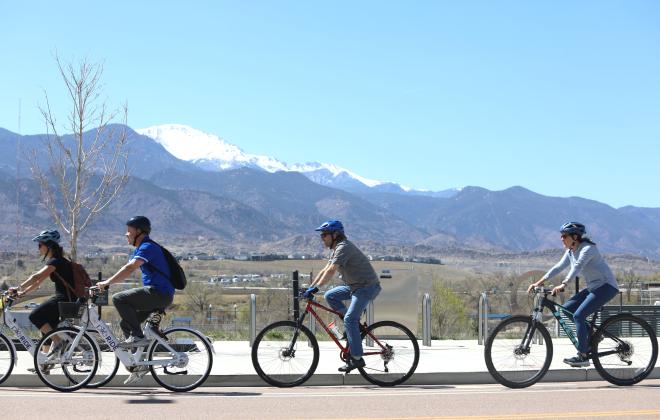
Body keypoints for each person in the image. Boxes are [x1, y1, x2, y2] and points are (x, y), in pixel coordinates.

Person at [527, 222, 619, 367]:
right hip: (593, 287)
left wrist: (564, 283)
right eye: (561, 236)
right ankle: (594, 336)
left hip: (606, 287)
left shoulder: (588, 249)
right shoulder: (570, 251)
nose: (561, 239)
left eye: (564, 236)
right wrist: (539, 282)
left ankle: (583, 356)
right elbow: (558, 267)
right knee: (567, 309)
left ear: (575, 237)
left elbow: (577, 266)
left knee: (579, 315)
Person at [96, 216, 174, 384]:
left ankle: (138, 338)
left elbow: (129, 268)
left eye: (129, 231)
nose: (126, 235)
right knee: (126, 325)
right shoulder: (144, 247)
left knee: (119, 298)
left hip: (159, 293)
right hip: (158, 294)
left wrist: (107, 282)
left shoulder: (147, 247)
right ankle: (137, 363)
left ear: (139, 232)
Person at [305, 220, 381, 372]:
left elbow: (331, 270)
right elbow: (324, 270)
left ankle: (357, 358)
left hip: (366, 287)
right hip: (354, 286)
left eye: (325, 235)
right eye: (322, 235)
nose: (322, 238)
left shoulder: (343, 247)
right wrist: (311, 287)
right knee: (330, 296)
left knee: (349, 319)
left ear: (335, 235)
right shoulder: (335, 249)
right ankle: (353, 328)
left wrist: (315, 288)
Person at [9, 230, 76, 340]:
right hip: (68, 299)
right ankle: (52, 353)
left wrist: (18, 287)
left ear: (49, 245)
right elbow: (38, 282)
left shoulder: (55, 261)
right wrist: (23, 293)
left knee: (35, 316)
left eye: (40, 245)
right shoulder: (59, 260)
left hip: (64, 299)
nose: (38, 248)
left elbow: (36, 276)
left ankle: (58, 342)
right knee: (47, 327)